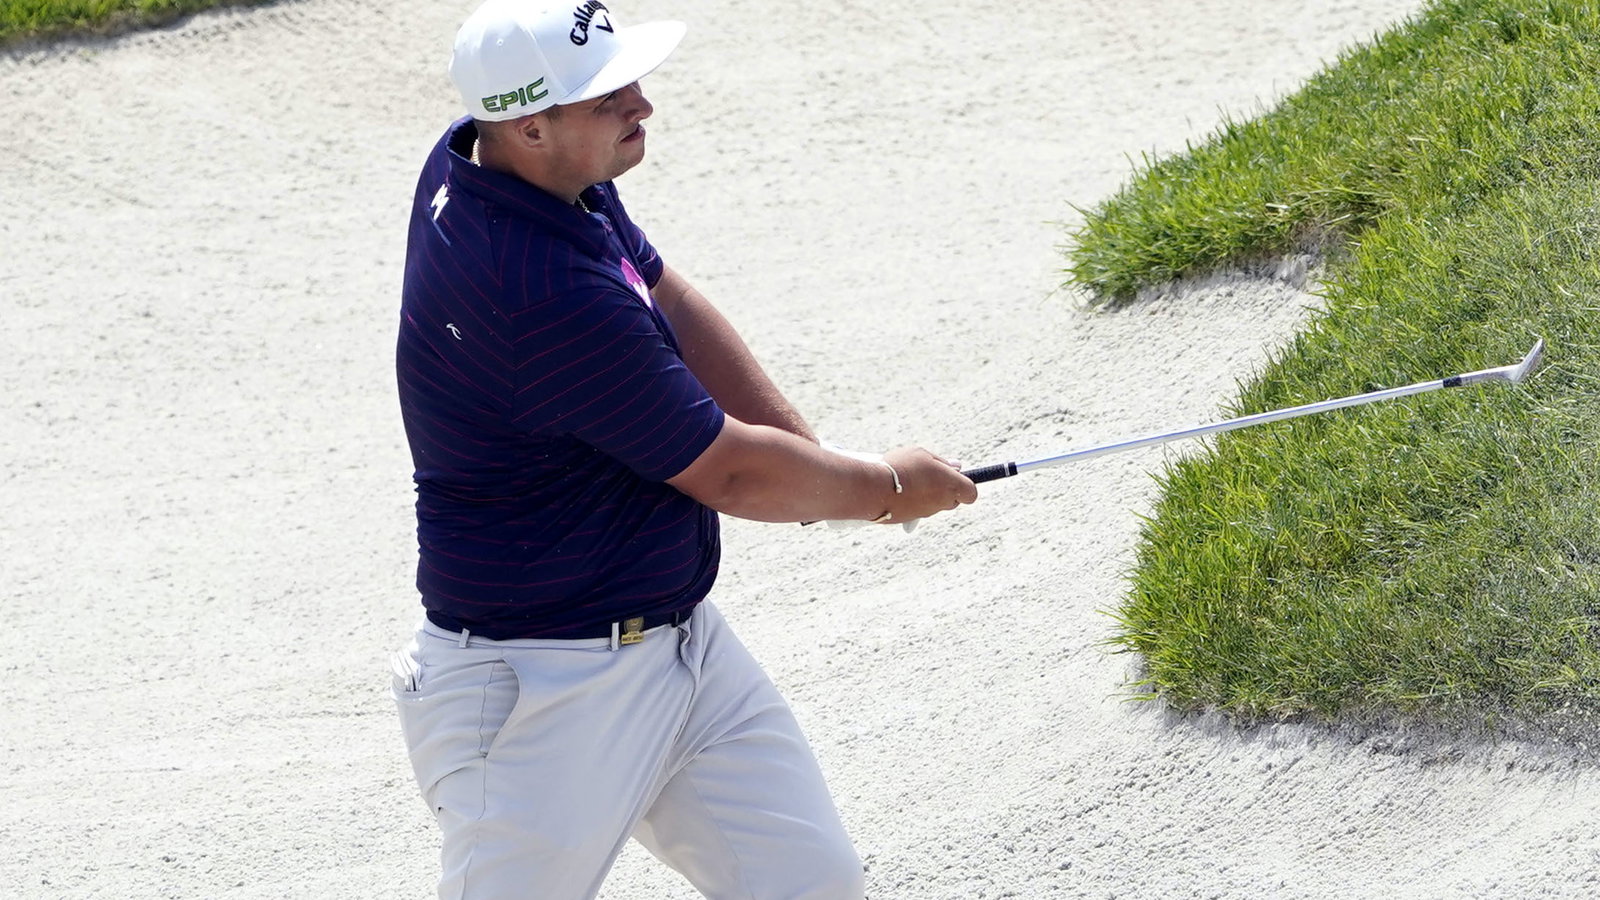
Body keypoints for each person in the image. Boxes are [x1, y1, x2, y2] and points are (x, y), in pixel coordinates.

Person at [390, 1, 978, 897]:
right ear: (531, 124)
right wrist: (887, 487)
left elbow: (659, 289)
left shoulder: (503, 164)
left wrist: (804, 454)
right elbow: (731, 472)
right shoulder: (534, 292)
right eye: (606, 97)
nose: (641, 104)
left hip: (680, 652)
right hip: (543, 696)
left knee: (811, 887)